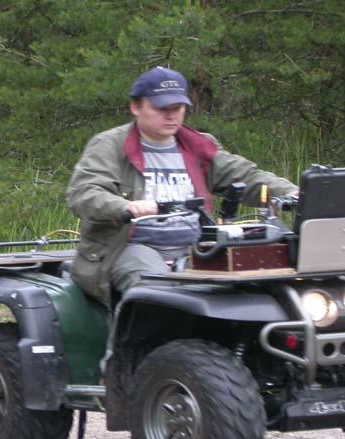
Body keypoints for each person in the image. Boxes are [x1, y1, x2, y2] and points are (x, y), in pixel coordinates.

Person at [66, 67, 298, 306]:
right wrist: (126, 206)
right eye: (160, 108)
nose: (171, 116)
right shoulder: (109, 145)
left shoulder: (199, 145)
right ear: (136, 107)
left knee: (259, 284)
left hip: (196, 245)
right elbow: (84, 193)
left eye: (177, 108)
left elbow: (246, 175)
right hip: (132, 245)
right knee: (160, 294)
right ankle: (148, 343)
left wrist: (291, 192)